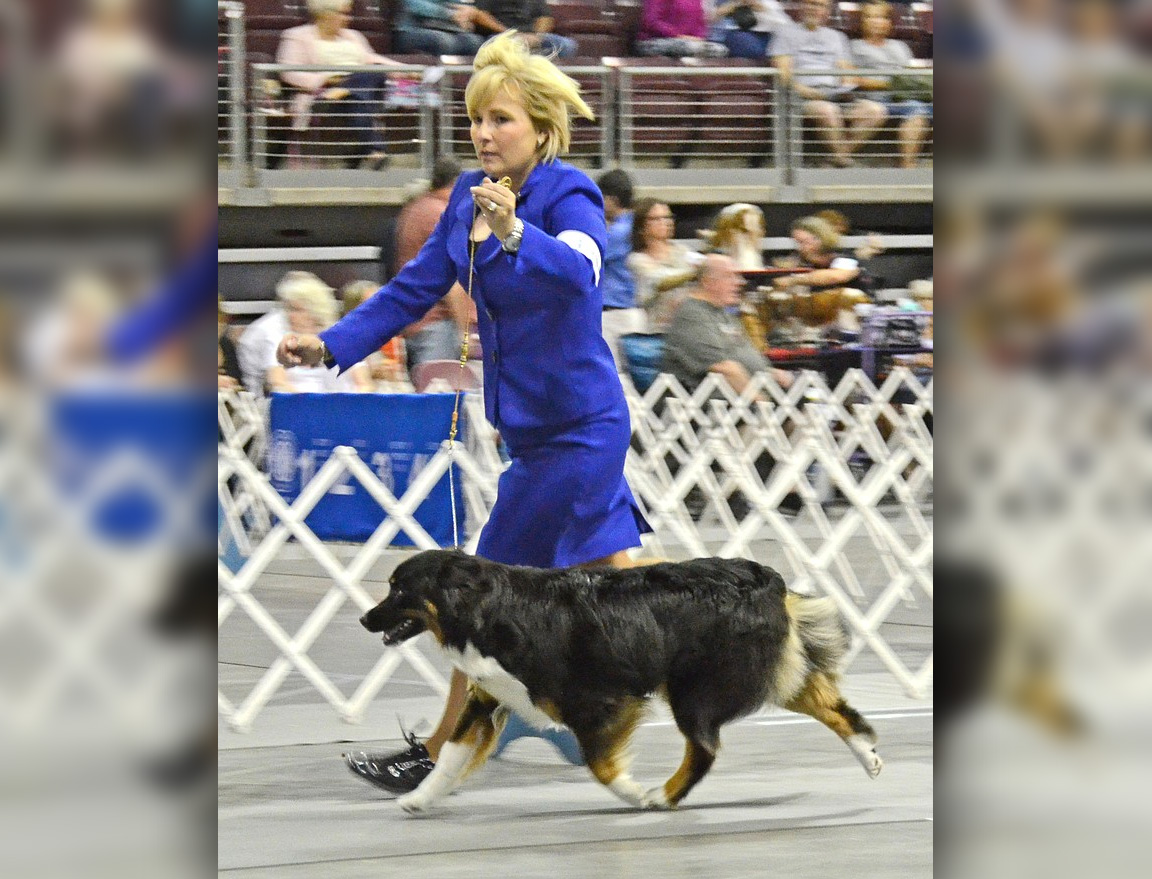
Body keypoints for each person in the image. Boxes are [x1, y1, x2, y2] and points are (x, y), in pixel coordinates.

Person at [276, 32, 651, 792]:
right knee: (617, 586)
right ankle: (588, 718)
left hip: (580, 430)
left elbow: (582, 270)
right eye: (477, 121)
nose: (484, 134)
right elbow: (412, 290)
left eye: (502, 119)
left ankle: (446, 745)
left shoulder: (566, 192)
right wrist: (332, 344)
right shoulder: (460, 202)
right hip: (530, 431)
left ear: (542, 130)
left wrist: (517, 230)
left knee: (482, 591)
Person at [277, 0, 400, 170]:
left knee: (369, 77)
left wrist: (405, 71)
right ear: (325, 14)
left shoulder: (354, 36)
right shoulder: (296, 36)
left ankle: (373, 148)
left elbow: (374, 60)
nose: (348, 18)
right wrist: (327, 78)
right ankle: (373, 149)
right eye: (343, 13)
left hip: (351, 91)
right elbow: (288, 72)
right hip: (321, 91)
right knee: (359, 98)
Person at [771, 0, 887, 167]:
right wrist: (809, 92)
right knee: (828, 111)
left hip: (835, 94)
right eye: (810, 4)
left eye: (820, 5)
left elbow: (847, 73)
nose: (814, 9)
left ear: (827, 11)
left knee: (876, 111)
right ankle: (843, 161)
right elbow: (784, 75)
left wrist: (843, 89)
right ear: (802, 6)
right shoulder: (785, 33)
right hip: (803, 97)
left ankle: (838, 157)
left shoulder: (837, 37)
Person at [661, 253, 793, 396]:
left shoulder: (723, 312)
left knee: (804, 394)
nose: (739, 282)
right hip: (722, 403)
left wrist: (770, 372)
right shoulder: (692, 315)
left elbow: (743, 352)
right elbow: (724, 368)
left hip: (751, 390)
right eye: (729, 276)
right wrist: (761, 401)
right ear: (707, 281)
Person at [392, 157, 477, 372]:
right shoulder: (440, 215)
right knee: (440, 394)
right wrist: (465, 332)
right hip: (438, 325)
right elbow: (452, 281)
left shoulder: (414, 209)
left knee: (426, 391)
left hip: (413, 322)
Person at [850, 0, 931, 169]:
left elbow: (911, 76)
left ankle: (910, 165)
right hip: (874, 99)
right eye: (870, 17)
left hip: (902, 97)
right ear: (862, 21)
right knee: (916, 108)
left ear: (888, 22)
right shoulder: (854, 47)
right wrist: (890, 86)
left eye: (880, 17)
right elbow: (854, 79)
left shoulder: (900, 46)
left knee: (923, 109)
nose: (875, 21)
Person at [596, 169, 646, 373]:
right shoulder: (636, 224)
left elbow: (595, 256)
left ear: (611, 199)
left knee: (614, 373)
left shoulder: (618, 232)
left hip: (616, 314)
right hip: (631, 310)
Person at [627, 199, 703, 333]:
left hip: (689, 328)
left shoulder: (682, 251)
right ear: (642, 227)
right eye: (657, 219)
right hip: (659, 333)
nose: (666, 222)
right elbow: (659, 281)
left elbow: (704, 264)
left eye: (668, 217)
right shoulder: (637, 260)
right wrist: (694, 273)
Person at [472, 0, 580, 57]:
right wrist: (510, 33)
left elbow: (545, 17)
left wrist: (537, 36)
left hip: (530, 36)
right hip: (500, 35)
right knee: (506, 45)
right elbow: (480, 15)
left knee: (568, 45)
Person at [635, 0, 729, 58]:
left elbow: (699, 23)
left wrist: (699, 38)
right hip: (652, 41)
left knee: (720, 50)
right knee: (691, 47)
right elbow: (651, 21)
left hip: (689, 44)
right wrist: (678, 35)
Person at [704, 0, 791, 60]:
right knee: (741, 40)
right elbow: (707, 21)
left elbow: (783, 24)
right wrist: (730, 7)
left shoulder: (769, 3)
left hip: (764, 37)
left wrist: (761, 9)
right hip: (732, 37)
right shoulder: (722, 3)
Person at [394, 0, 487, 55]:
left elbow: (458, 5)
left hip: (446, 29)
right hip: (411, 31)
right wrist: (449, 14)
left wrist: (466, 14)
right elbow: (415, 5)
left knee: (475, 42)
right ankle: (444, 83)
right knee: (445, 42)